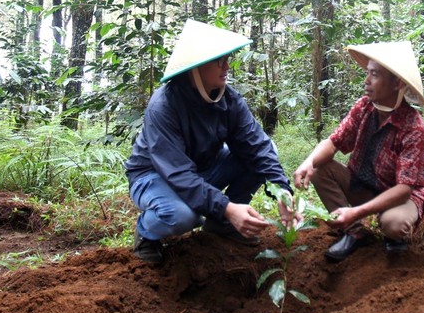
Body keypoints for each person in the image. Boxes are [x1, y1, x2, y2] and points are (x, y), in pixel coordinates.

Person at [125, 19, 299, 264]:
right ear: (197, 67)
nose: (227, 66)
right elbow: (178, 173)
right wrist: (227, 207)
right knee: (182, 216)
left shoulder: (229, 99)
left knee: (268, 150)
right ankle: (146, 234)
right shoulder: (164, 106)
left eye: (227, 59)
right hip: (155, 175)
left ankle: (221, 225)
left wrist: (282, 191)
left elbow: (257, 146)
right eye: (219, 61)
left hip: (201, 167)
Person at [293, 41, 424, 262]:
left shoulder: (414, 128)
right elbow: (334, 142)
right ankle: (355, 232)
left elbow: (404, 189)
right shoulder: (364, 108)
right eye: (367, 73)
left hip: (398, 198)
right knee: (319, 168)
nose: (366, 81)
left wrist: (356, 211)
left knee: (393, 225)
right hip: (363, 184)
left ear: (397, 83)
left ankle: (395, 243)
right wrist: (309, 162)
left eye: (374, 75)